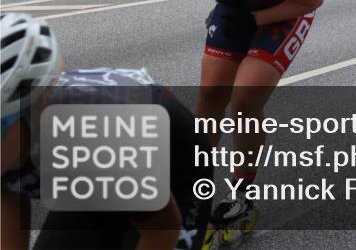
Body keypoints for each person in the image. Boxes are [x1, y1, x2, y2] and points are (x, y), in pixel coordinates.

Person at [1, 13, 212, 250]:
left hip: (172, 165)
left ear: (37, 107)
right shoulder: (17, 134)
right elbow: (10, 192)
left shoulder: (89, 139)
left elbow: (162, 233)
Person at [192, 0, 324, 227]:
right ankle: (194, 187)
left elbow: (314, 0)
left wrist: (253, 21)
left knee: (244, 99)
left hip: (286, 10)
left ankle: (242, 193)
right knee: (210, 94)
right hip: (242, 3)